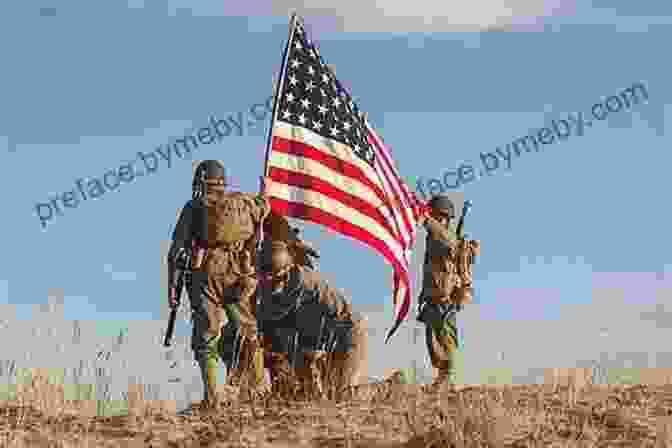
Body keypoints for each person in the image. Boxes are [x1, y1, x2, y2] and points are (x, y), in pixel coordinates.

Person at [166, 160, 271, 411]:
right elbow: (264, 209)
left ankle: (213, 398)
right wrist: (263, 193)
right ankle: (259, 390)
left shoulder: (193, 207)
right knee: (248, 329)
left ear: (200, 181)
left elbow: (176, 250)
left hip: (207, 273)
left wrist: (172, 285)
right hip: (239, 272)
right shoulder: (244, 203)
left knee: (206, 336)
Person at [256, 214, 368, 400]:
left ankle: (391, 387)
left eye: (279, 278)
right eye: (268, 277)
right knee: (308, 397)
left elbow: (346, 323)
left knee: (342, 396)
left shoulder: (308, 282)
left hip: (347, 335)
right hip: (313, 343)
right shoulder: (266, 293)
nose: (275, 284)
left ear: (288, 270)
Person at [416, 194, 480, 391]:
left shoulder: (446, 238)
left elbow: (441, 235)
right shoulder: (436, 238)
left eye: (435, 215)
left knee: (446, 339)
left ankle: (449, 378)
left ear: (441, 216)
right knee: (433, 341)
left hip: (445, 300)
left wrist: (423, 217)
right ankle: (443, 377)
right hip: (432, 299)